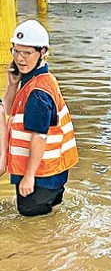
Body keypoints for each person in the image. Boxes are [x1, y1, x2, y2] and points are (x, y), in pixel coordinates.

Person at [2, 19, 78, 216]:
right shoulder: (34, 80)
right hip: (51, 171)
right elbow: (8, 110)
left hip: (40, 173)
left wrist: (28, 177)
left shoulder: (38, 92)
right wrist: (12, 85)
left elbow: (40, 136)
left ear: (42, 52)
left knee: (31, 221)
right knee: (49, 217)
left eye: (27, 53)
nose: (20, 59)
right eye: (16, 51)